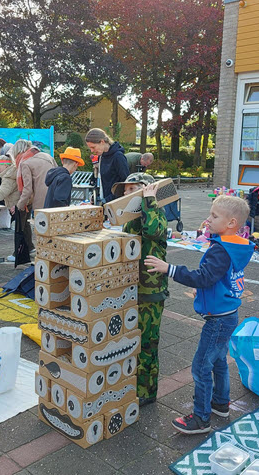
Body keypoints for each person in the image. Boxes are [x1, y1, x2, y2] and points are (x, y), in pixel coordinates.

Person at [146, 195, 254, 434]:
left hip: (218, 319)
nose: (208, 219)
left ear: (231, 223)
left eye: (214, 216)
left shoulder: (221, 250)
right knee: (218, 362)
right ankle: (220, 404)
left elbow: (204, 276)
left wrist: (169, 269)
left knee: (201, 366)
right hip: (228, 313)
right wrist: (207, 288)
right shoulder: (235, 245)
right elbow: (219, 278)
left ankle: (201, 418)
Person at [111, 173, 168, 407]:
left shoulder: (155, 212)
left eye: (132, 189)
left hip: (150, 289)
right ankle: (132, 382)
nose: (126, 194)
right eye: (125, 190)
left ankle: (146, 390)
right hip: (133, 288)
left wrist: (150, 200)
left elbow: (154, 230)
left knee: (147, 343)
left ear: (146, 191)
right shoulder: (132, 216)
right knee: (132, 340)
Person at [85, 128, 129, 204]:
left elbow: (126, 183)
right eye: (90, 148)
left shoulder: (118, 157)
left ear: (102, 142)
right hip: (105, 202)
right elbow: (101, 181)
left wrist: (107, 200)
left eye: (93, 147)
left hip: (116, 204)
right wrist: (95, 196)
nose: (92, 151)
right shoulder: (101, 157)